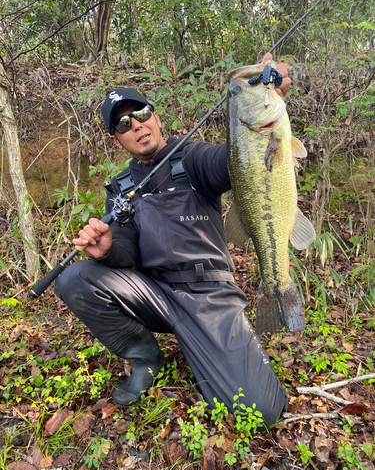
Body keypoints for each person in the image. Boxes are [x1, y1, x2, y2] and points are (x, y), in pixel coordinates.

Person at [55, 54, 291, 425]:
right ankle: (145, 356)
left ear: (157, 115)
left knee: (261, 412)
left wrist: (267, 101)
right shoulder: (121, 187)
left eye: (142, 112)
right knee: (74, 277)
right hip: (157, 296)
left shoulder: (194, 158)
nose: (137, 125)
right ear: (117, 140)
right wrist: (108, 249)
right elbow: (126, 250)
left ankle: (209, 341)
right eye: (123, 123)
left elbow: (235, 162)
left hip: (210, 296)